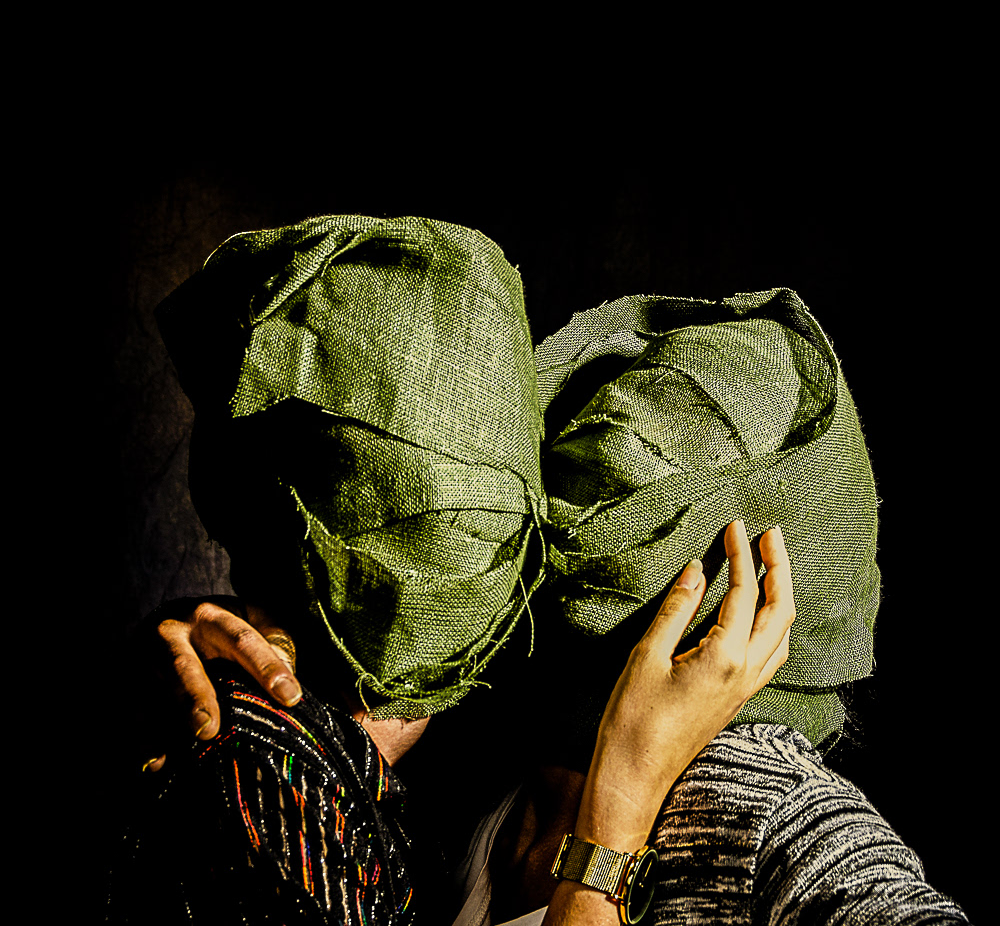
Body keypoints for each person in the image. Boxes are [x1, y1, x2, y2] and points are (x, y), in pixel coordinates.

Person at [114, 215, 969, 924]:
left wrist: (617, 820)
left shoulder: (778, 821)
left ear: (752, 603)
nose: (580, 520)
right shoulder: (496, 730)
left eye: (646, 502)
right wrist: (227, 667)